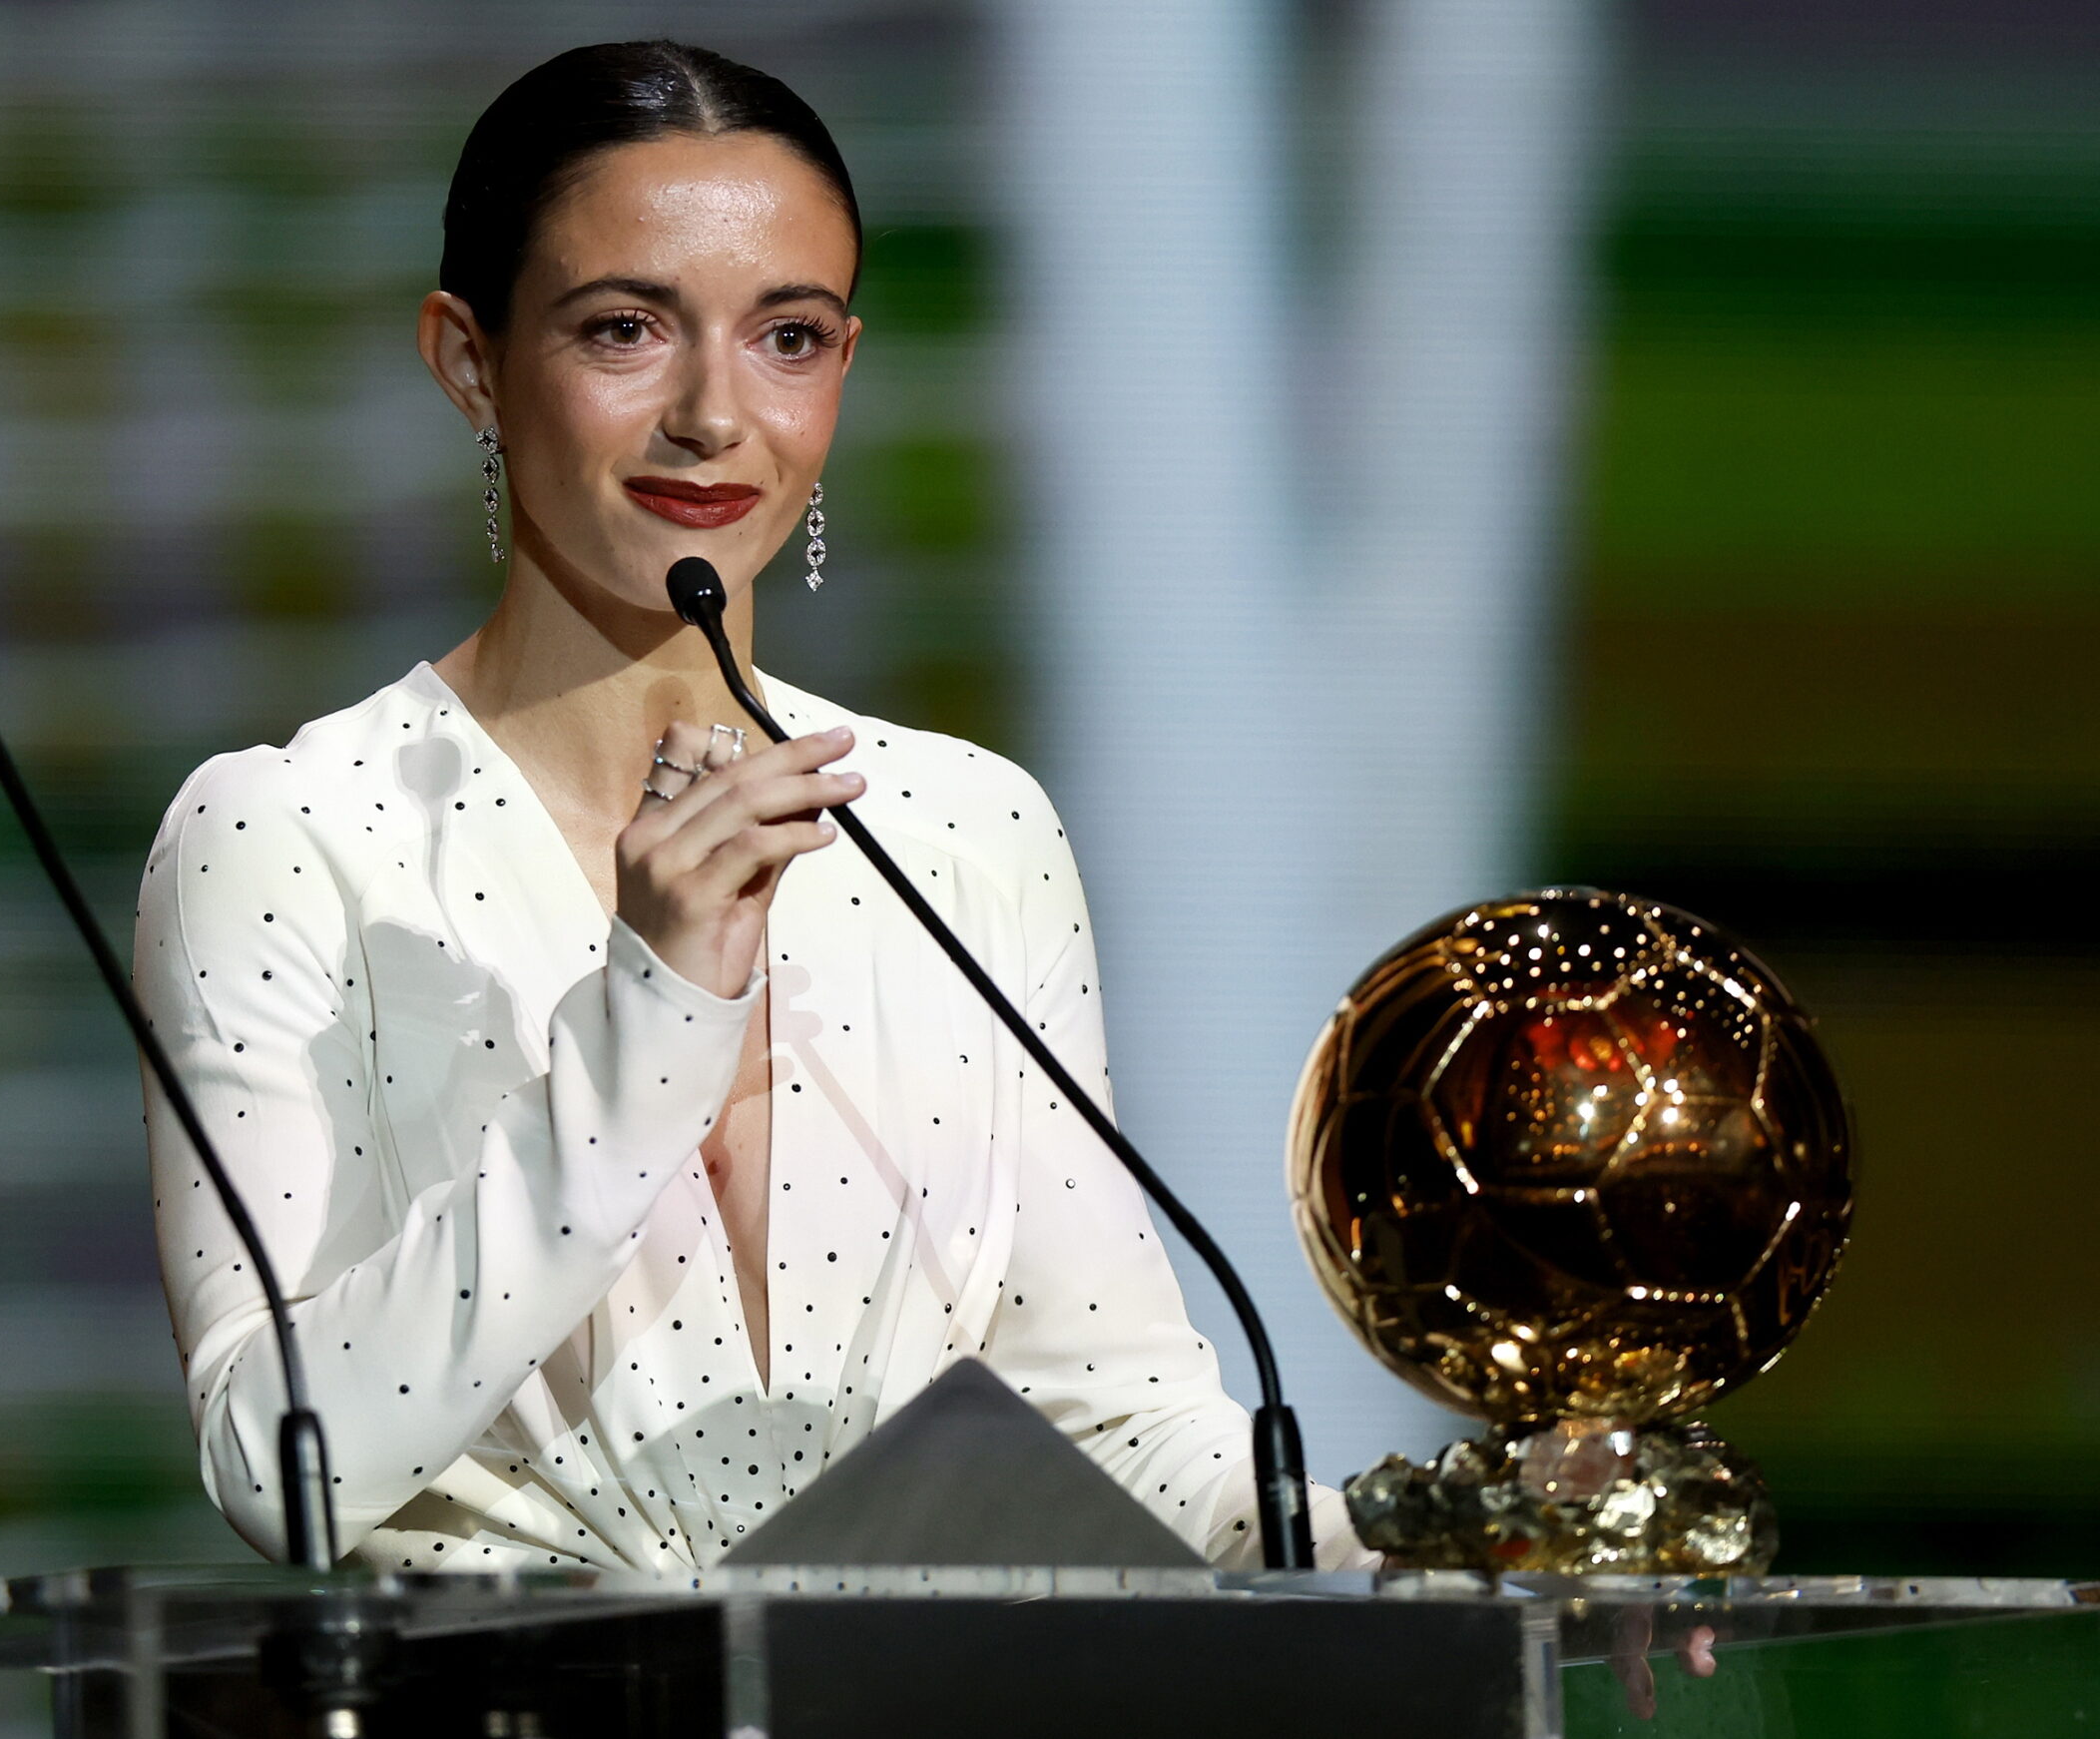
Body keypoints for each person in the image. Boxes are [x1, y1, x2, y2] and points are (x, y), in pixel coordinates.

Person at [135, 39, 1365, 1573]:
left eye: (786, 338)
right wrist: (650, 1016)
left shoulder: (965, 828)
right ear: (469, 358)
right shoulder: (284, 836)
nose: (716, 414)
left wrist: (1454, 1543)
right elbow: (280, 1461)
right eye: (626, 329)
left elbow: (1126, 1429)